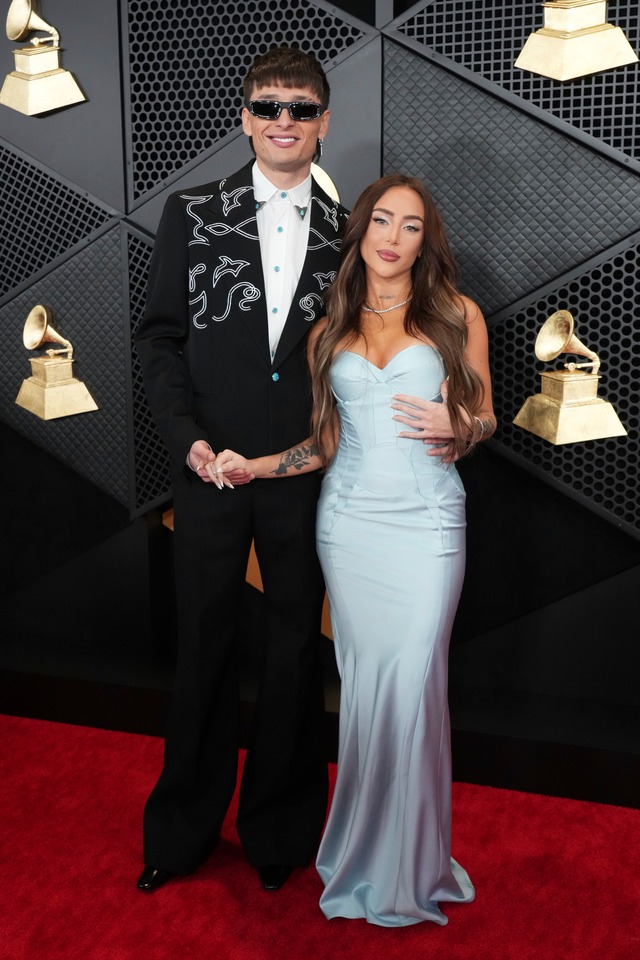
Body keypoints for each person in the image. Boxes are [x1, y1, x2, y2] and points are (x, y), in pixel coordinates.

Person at [213, 173, 496, 926]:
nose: (393, 237)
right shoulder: (327, 332)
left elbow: (486, 416)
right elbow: (322, 443)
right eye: (381, 221)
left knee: (412, 687)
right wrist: (255, 464)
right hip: (349, 526)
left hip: (428, 525)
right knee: (368, 693)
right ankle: (366, 853)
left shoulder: (456, 315)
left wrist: (459, 428)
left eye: (409, 225)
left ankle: (411, 862)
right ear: (360, 231)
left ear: (423, 239)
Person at [134, 46, 349, 895]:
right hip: (210, 471)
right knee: (203, 652)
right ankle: (180, 833)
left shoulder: (352, 230)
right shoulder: (192, 212)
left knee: (297, 652)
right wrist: (185, 437)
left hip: (305, 474)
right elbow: (159, 337)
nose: (284, 122)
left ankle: (280, 835)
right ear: (246, 118)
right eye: (268, 107)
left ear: (325, 122)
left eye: (301, 108)